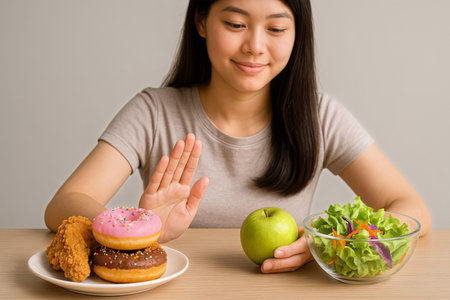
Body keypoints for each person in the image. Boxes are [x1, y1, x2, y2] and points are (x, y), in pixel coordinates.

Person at [45, 0, 431, 274]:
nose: (255, 46)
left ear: (297, 34)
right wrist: (142, 227)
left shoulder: (319, 115)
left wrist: (328, 245)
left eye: (277, 28)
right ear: (201, 22)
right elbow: (64, 204)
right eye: (235, 24)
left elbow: (412, 207)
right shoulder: (153, 111)